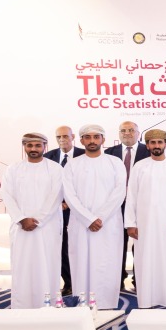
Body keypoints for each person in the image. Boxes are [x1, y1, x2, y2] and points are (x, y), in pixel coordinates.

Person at [62, 124, 126, 309]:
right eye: (87, 137)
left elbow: (119, 192)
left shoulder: (115, 163)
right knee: (81, 261)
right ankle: (82, 303)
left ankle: (107, 303)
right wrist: (89, 218)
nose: (92, 141)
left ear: (103, 140)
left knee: (107, 262)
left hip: (109, 223)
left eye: (96, 137)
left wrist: (101, 217)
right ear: (81, 141)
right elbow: (69, 194)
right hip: (81, 224)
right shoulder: (73, 164)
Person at [124, 129, 166, 308]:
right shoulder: (140, 167)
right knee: (145, 261)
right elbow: (132, 196)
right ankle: (146, 301)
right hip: (144, 225)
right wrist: (131, 224)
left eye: (160, 142)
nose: (156, 146)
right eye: (153, 143)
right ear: (148, 145)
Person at [3, 133, 64, 308]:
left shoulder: (55, 168)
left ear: (44, 146)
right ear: (24, 147)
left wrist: (38, 220)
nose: (33, 149)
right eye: (29, 146)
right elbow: (7, 196)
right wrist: (22, 219)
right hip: (21, 227)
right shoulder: (13, 169)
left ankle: (49, 304)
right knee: (22, 266)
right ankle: (22, 305)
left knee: (47, 265)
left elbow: (56, 196)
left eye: (38, 146)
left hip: (47, 227)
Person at [104, 121, 149, 290]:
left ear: (138, 134)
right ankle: (118, 279)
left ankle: (140, 279)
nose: (127, 133)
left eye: (131, 130)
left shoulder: (148, 150)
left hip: (141, 205)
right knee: (117, 242)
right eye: (123, 130)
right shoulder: (109, 153)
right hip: (116, 205)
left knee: (140, 242)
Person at [45, 125, 84, 295]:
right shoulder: (48, 157)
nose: (62, 140)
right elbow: (46, 185)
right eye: (58, 137)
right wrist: (57, 203)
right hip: (54, 211)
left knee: (77, 247)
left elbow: (85, 184)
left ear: (73, 137)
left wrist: (69, 202)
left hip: (79, 211)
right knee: (60, 247)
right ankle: (68, 283)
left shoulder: (84, 155)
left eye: (65, 137)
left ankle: (81, 281)